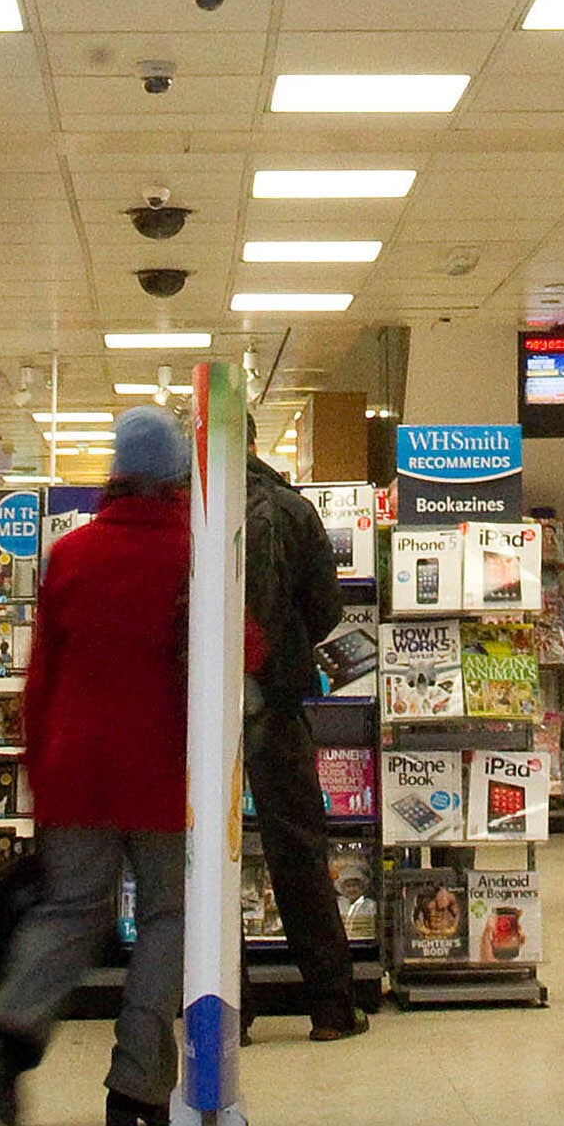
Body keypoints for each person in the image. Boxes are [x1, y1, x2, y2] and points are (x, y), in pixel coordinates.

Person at [0, 407, 195, 1126]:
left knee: (71, 907)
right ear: (175, 480)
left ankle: (13, 1028)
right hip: (162, 767)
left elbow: (41, 680)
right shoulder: (194, 555)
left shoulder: (70, 554)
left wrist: (42, 768)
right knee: (168, 916)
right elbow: (243, 650)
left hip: (74, 764)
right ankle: (137, 1085)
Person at [241, 441, 369, 1040]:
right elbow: (325, 609)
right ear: (254, 443)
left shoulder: (186, 507)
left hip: (203, 708)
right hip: (276, 699)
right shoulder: (292, 510)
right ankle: (331, 1008)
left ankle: (224, 1011)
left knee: (207, 857)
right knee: (297, 852)